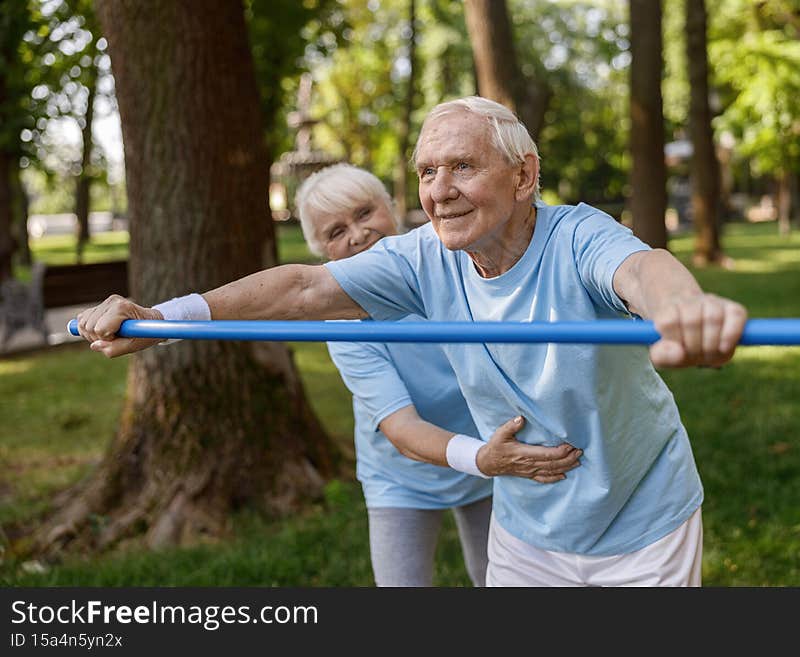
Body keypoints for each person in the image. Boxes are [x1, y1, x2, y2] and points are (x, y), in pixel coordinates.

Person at [78, 96, 748, 586]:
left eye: (462, 166)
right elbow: (304, 290)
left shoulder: (575, 235)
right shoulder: (421, 258)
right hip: (526, 526)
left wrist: (683, 307)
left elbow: (640, 267)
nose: (440, 190)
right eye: (428, 171)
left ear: (523, 176)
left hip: (639, 517)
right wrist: (162, 318)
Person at [291, 163, 581, 586]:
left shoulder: (455, 264)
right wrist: (481, 458)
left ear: (392, 207)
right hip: (402, 475)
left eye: (364, 213)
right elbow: (402, 429)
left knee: (503, 580)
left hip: (491, 450)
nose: (356, 234)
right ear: (322, 252)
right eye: (335, 232)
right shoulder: (344, 326)